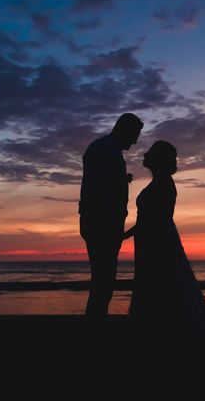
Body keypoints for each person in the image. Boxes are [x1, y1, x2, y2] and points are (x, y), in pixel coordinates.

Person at [123, 140, 205, 364]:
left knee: (162, 288)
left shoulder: (164, 184)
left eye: (152, 153)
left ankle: (165, 343)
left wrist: (125, 235)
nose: (146, 155)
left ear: (158, 159)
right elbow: (148, 220)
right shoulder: (160, 182)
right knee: (155, 288)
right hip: (152, 241)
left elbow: (155, 220)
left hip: (159, 243)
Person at [79, 113, 144, 321]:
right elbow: (98, 190)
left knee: (102, 278)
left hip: (100, 222)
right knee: (104, 279)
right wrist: (112, 223)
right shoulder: (107, 150)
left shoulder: (103, 148)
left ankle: (97, 320)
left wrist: (121, 179)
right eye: (135, 134)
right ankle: (96, 322)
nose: (135, 141)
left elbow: (99, 182)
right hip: (103, 224)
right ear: (125, 130)